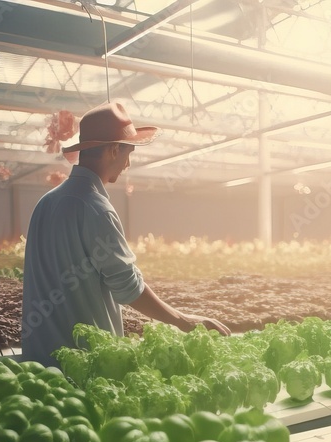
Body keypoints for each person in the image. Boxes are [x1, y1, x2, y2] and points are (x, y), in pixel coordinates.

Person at [21, 101, 230, 366]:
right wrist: (186, 321)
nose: (128, 163)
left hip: (38, 362)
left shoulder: (46, 203)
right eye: (128, 153)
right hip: (83, 364)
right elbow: (128, 289)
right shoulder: (95, 208)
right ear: (113, 150)